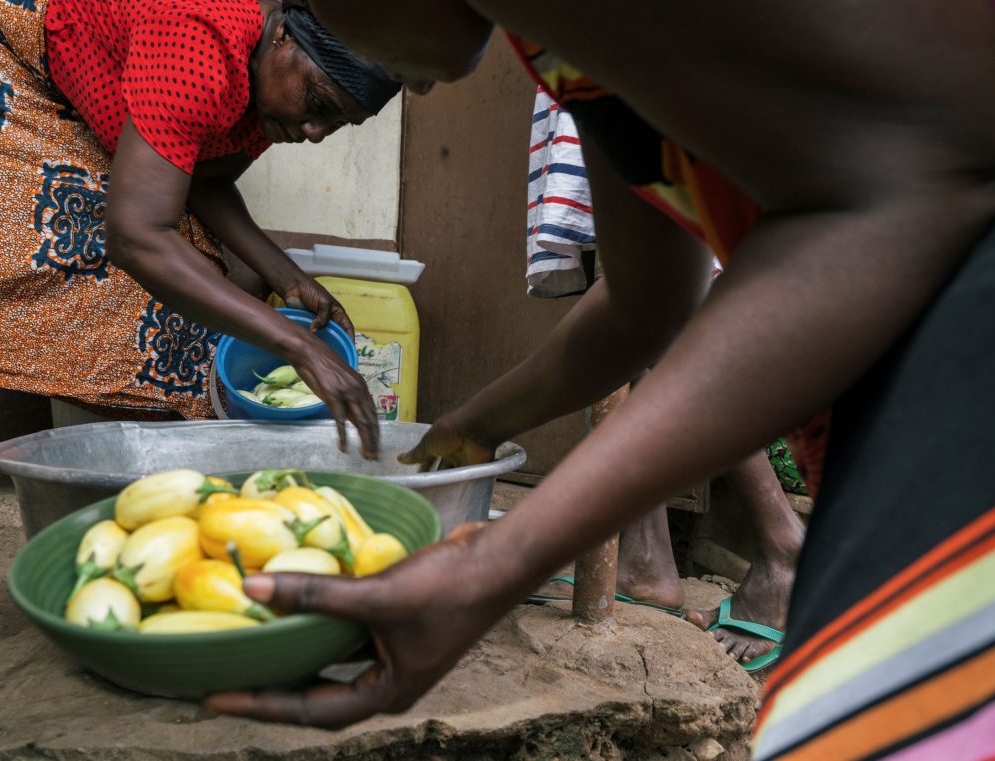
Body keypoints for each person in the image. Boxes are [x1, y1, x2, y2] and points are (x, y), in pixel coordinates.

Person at [205, 1, 995, 757]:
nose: (403, 88)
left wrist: (500, 561)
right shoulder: (571, 48)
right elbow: (647, 303)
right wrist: (478, 422)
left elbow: (892, 197)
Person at [0, 0, 400, 607]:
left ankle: (168, 528)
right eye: (319, 106)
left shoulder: (270, 91)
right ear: (280, 37)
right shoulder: (201, 39)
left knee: (177, 294)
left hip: (67, 70)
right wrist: (297, 344)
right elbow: (138, 235)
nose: (314, 132)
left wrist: (289, 278)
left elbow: (205, 176)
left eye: (337, 125)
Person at [523, 88, 804, 670]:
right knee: (635, 289)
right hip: (609, 60)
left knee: (661, 290)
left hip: (638, 56)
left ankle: (782, 547)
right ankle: (645, 560)